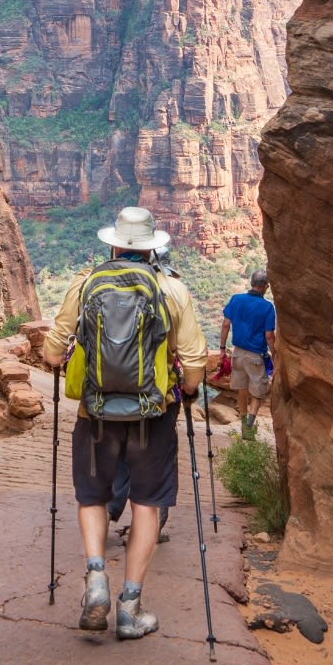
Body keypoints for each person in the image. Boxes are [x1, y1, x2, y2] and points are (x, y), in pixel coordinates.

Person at [43, 206, 206, 640]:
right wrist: (187, 389)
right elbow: (194, 361)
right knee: (147, 504)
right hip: (152, 417)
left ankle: (96, 579)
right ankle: (130, 608)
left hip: (95, 414)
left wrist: (68, 358)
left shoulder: (85, 284)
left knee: (92, 497)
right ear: (152, 248)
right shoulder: (172, 289)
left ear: (113, 243)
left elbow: (52, 350)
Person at [220, 268, 276, 441]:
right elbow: (269, 335)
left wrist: (222, 348)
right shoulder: (267, 307)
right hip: (255, 356)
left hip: (237, 354)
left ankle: (243, 422)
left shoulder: (236, 299)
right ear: (265, 286)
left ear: (252, 283)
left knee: (242, 389)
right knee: (258, 393)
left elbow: (226, 324)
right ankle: (249, 428)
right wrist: (274, 355)